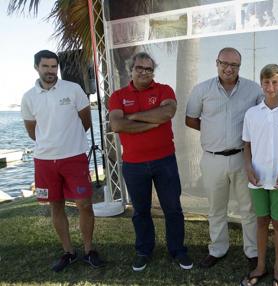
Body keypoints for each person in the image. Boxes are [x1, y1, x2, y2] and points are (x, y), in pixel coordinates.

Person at [21, 50, 105, 272]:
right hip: (44, 161)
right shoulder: (28, 97)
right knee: (55, 205)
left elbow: (85, 121)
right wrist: (50, 144)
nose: (50, 71)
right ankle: (68, 252)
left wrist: (70, 142)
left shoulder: (73, 89)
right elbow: (33, 132)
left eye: (53, 66)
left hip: (74, 157)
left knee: (84, 205)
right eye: (45, 66)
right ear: (36, 67)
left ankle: (89, 250)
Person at [109, 52, 192, 272]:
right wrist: (151, 121)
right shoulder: (118, 95)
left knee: (173, 208)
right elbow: (117, 125)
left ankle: (178, 250)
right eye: (140, 68)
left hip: (164, 161)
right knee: (140, 211)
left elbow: (168, 112)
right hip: (134, 164)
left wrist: (133, 116)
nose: (144, 72)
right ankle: (144, 250)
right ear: (131, 70)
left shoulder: (164, 89)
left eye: (148, 69)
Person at [185, 47, 263, 269]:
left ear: (240, 66)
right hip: (212, 159)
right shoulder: (202, 90)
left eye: (234, 65)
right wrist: (213, 133)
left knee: (248, 209)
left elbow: (262, 119)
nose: (229, 68)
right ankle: (218, 249)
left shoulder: (253, 89)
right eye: (224, 63)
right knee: (216, 208)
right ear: (216, 62)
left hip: (242, 157)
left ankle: (252, 252)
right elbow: (190, 119)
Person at [240, 64, 278, 286]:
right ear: (261, 83)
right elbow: (246, 144)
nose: (270, 86)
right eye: (266, 82)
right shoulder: (252, 113)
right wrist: (248, 168)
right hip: (257, 178)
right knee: (260, 221)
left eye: (275, 82)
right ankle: (260, 266)